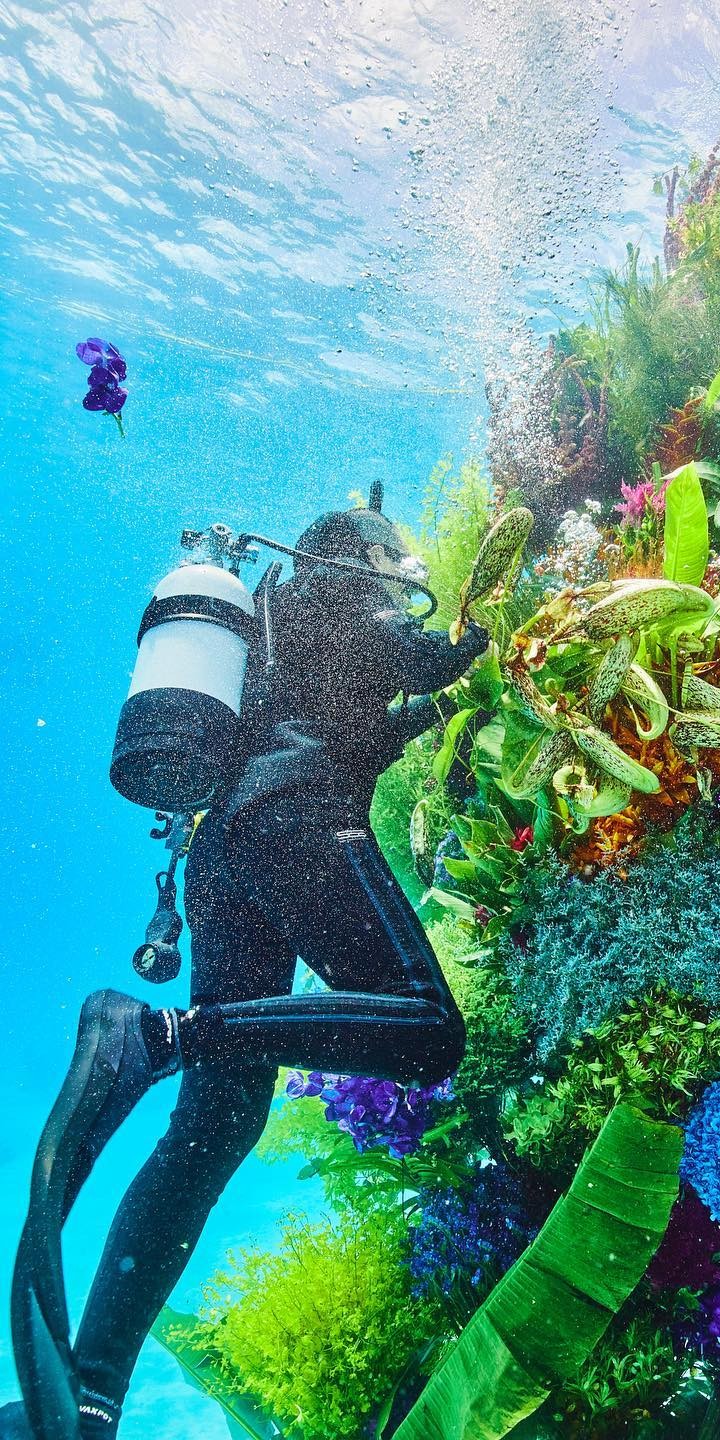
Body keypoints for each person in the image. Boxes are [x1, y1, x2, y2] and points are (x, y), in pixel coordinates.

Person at [6, 500, 489, 1439]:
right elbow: (418, 657)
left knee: (218, 1125)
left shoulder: (276, 619)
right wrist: (487, 640)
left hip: (223, 854)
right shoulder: (347, 592)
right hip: (295, 830)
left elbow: (356, 725)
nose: (410, 569)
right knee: (429, 1032)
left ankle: (93, 1391)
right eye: (401, 557)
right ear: (366, 555)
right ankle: (153, 1035)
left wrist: (443, 702)